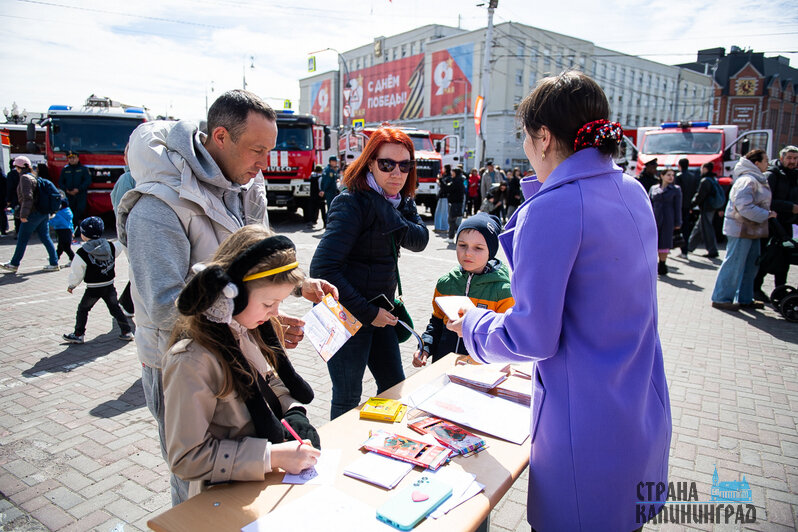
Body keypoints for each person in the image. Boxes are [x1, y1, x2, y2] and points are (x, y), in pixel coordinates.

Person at [446, 71, 671, 531]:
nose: (527, 149)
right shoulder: (632, 190)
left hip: (584, 429)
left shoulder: (553, 208)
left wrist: (473, 324)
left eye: (526, 137)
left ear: (544, 137)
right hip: (639, 410)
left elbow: (531, 336)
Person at [116, 89, 335, 505]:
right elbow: (166, 305)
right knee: (198, 488)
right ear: (220, 136)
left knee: (248, 463)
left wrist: (289, 291)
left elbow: (261, 256)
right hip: (181, 360)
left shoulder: (247, 186)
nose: (263, 164)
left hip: (240, 347)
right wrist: (251, 316)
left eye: (269, 151)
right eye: (256, 150)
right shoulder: (157, 207)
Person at [163, 225, 321, 500]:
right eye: (269, 303)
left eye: (280, 302)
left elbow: (269, 380)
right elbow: (186, 458)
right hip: (225, 497)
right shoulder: (191, 361)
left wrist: (293, 410)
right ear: (230, 296)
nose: (275, 313)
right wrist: (270, 456)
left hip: (266, 486)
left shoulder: (249, 327)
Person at [310, 126, 429, 420]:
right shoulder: (351, 202)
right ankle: (339, 458)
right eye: (387, 164)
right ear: (370, 163)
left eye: (405, 165)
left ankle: (386, 448)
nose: (396, 173)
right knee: (347, 397)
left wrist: (386, 209)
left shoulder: (399, 202)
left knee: (394, 387)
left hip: (381, 312)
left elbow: (420, 240)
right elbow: (323, 270)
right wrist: (367, 312)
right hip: (347, 316)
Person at [413, 213, 513, 366]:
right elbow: (436, 323)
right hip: (443, 366)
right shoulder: (446, 283)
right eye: (462, 245)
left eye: (478, 248)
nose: (467, 253)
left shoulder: (503, 291)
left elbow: (505, 337)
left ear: (491, 251)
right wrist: (425, 346)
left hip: (480, 372)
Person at [711, 150, 778, 311]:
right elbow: (743, 206)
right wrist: (766, 215)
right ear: (756, 163)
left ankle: (745, 298)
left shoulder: (754, 179)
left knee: (750, 265)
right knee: (734, 264)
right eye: (765, 160)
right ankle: (721, 298)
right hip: (741, 229)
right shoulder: (747, 180)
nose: (767, 164)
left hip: (752, 229)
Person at [62, 217, 134, 344]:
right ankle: (126, 331)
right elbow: (120, 244)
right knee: (116, 309)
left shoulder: (82, 253)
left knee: (83, 309)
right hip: (109, 285)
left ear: (85, 235)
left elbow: (77, 272)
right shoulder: (110, 246)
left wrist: (72, 285)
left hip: (93, 288)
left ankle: (78, 334)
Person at [753, 145, 798, 301]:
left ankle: (780, 291)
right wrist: (790, 207)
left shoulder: (795, 175)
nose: (792, 161)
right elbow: (765, 200)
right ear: (782, 158)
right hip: (770, 223)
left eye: (795, 158)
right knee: (766, 257)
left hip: (787, 225)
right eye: (789, 158)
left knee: (784, 259)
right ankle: (755, 288)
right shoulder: (772, 175)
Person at [0, 157, 60, 273]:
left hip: (33, 213)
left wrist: (23, 215)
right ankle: (54, 262)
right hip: (42, 212)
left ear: (19, 167)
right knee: (45, 237)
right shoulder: (33, 176)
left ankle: (14, 264)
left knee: (22, 238)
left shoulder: (24, 178)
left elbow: (28, 198)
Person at [110, 144, 136, 316]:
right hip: (132, 234)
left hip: (134, 233)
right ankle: (127, 304)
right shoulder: (128, 178)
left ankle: (127, 304)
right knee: (138, 271)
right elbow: (122, 210)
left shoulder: (135, 176)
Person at [649, 167, 682, 275]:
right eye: (668, 175)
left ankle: (662, 263)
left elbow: (678, 207)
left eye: (672, 175)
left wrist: (678, 222)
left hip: (668, 219)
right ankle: (653, 264)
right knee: (653, 242)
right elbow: (649, 203)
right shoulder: (654, 188)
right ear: (662, 176)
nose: (671, 177)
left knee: (664, 242)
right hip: (655, 218)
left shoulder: (676, 190)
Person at [687, 162, 721, 258]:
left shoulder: (705, 181)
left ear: (705, 169)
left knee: (707, 229)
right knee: (698, 228)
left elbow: (700, 196)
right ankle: (689, 246)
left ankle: (712, 250)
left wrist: (691, 205)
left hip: (706, 207)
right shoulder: (713, 179)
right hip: (711, 207)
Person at [674, 158, 699, 258]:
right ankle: (685, 250)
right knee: (686, 227)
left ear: (679, 165)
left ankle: (675, 247)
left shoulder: (679, 176)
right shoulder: (693, 176)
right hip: (688, 205)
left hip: (679, 205)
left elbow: (677, 192)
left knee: (677, 226)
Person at [60, 151, 92, 224]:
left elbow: (88, 181)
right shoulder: (65, 170)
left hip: (80, 195)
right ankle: (72, 229)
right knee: (70, 212)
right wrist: (66, 190)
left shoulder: (83, 169)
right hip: (69, 195)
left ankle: (77, 229)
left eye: (73, 158)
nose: (72, 160)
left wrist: (79, 189)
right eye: (70, 158)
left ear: (78, 158)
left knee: (79, 211)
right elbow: (60, 182)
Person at [443, 167, 466, 243]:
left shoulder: (457, 181)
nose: (451, 174)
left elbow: (448, 188)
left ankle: (453, 236)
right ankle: (457, 235)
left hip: (456, 203)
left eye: (453, 172)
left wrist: (441, 181)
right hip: (455, 203)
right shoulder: (457, 180)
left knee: (451, 220)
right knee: (452, 221)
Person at [51, 196, 75, 264]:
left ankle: (72, 259)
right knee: (62, 247)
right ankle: (55, 258)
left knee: (65, 247)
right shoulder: (68, 212)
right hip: (68, 231)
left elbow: (54, 222)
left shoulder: (59, 214)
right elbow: (71, 223)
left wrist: (47, 220)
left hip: (62, 232)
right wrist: (72, 231)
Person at [434, 164, 451, 233]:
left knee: (444, 213)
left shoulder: (449, 177)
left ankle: (444, 228)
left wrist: (440, 180)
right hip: (441, 195)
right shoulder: (444, 176)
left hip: (445, 196)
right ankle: (437, 227)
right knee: (438, 212)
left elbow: (445, 186)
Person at [6, 161, 21, 236]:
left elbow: (9, 188)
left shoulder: (11, 174)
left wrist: (8, 200)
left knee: (17, 216)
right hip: (26, 198)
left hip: (16, 198)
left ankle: (18, 231)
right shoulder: (26, 173)